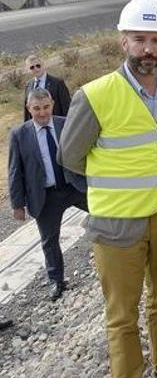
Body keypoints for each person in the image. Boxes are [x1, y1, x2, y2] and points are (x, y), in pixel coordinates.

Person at [59, 0, 157, 378]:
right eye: (140, 39)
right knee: (122, 315)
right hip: (118, 224)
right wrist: (111, 188)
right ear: (123, 42)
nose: (149, 50)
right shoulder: (97, 94)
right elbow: (71, 157)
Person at [8, 88, 87, 301]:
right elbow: (15, 170)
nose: (42, 113)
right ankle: (57, 281)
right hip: (46, 195)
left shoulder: (66, 123)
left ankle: (119, 256)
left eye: (45, 107)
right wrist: (17, 204)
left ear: (52, 104)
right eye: (36, 109)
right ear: (28, 108)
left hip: (74, 187)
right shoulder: (19, 135)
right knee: (49, 240)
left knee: (108, 215)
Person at [23, 54, 71, 121]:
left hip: (56, 124)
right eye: (32, 67)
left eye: (38, 66)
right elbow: (27, 112)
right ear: (28, 70)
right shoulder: (28, 86)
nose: (36, 69)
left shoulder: (58, 83)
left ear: (43, 65)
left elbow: (67, 108)